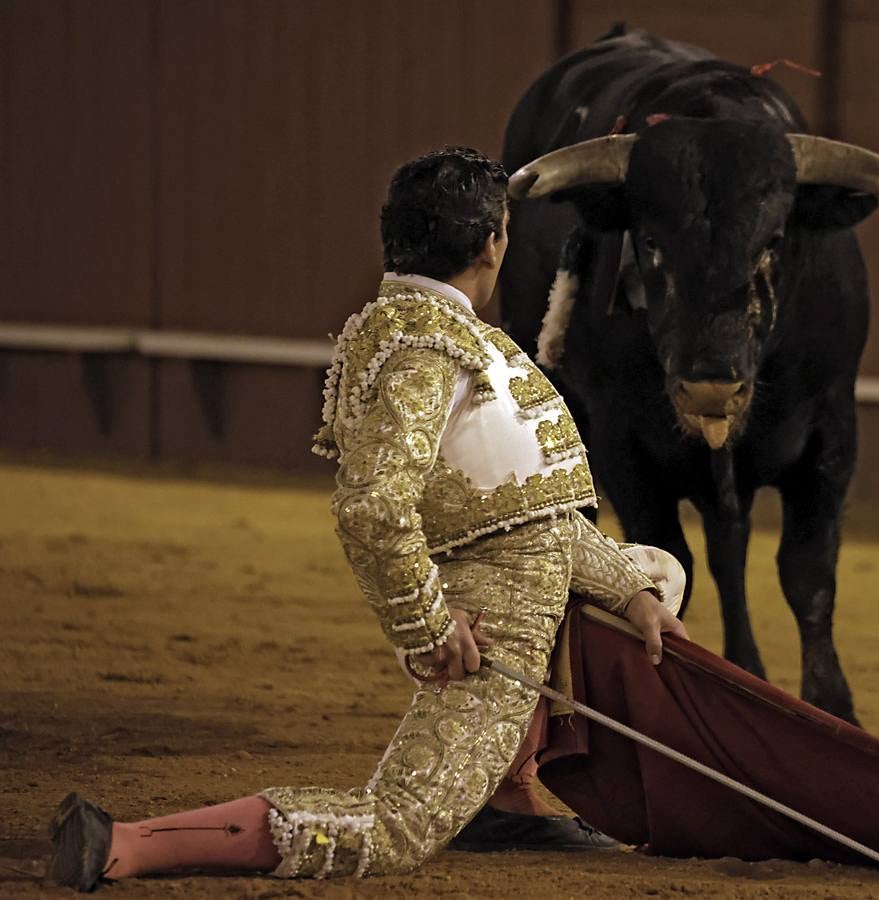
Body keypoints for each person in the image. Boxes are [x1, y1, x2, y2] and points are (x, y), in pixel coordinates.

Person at [47, 146, 688, 890]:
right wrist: (427, 625)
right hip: (492, 625)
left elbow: (532, 513)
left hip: (524, 583)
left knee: (657, 572)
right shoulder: (425, 350)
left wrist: (627, 590)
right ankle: (121, 843)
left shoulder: (439, 335)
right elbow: (374, 505)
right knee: (400, 822)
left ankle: (510, 789)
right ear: (492, 242)